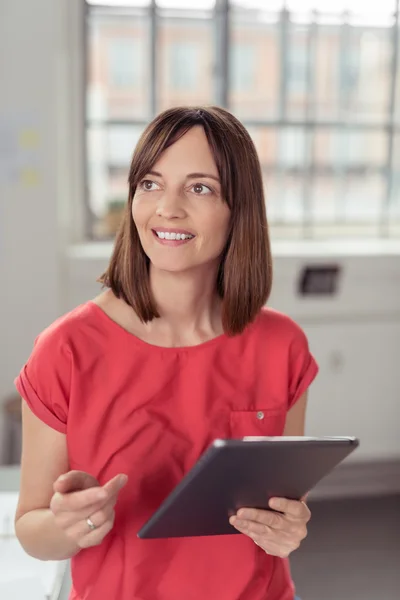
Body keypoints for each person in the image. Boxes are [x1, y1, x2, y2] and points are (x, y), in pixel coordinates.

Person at [14, 106, 318, 600]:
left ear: (238, 208)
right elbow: (32, 531)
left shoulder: (282, 345)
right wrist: (69, 524)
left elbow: (284, 507)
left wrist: (291, 528)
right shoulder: (65, 349)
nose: (167, 208)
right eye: (150, 184)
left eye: (199, 188)